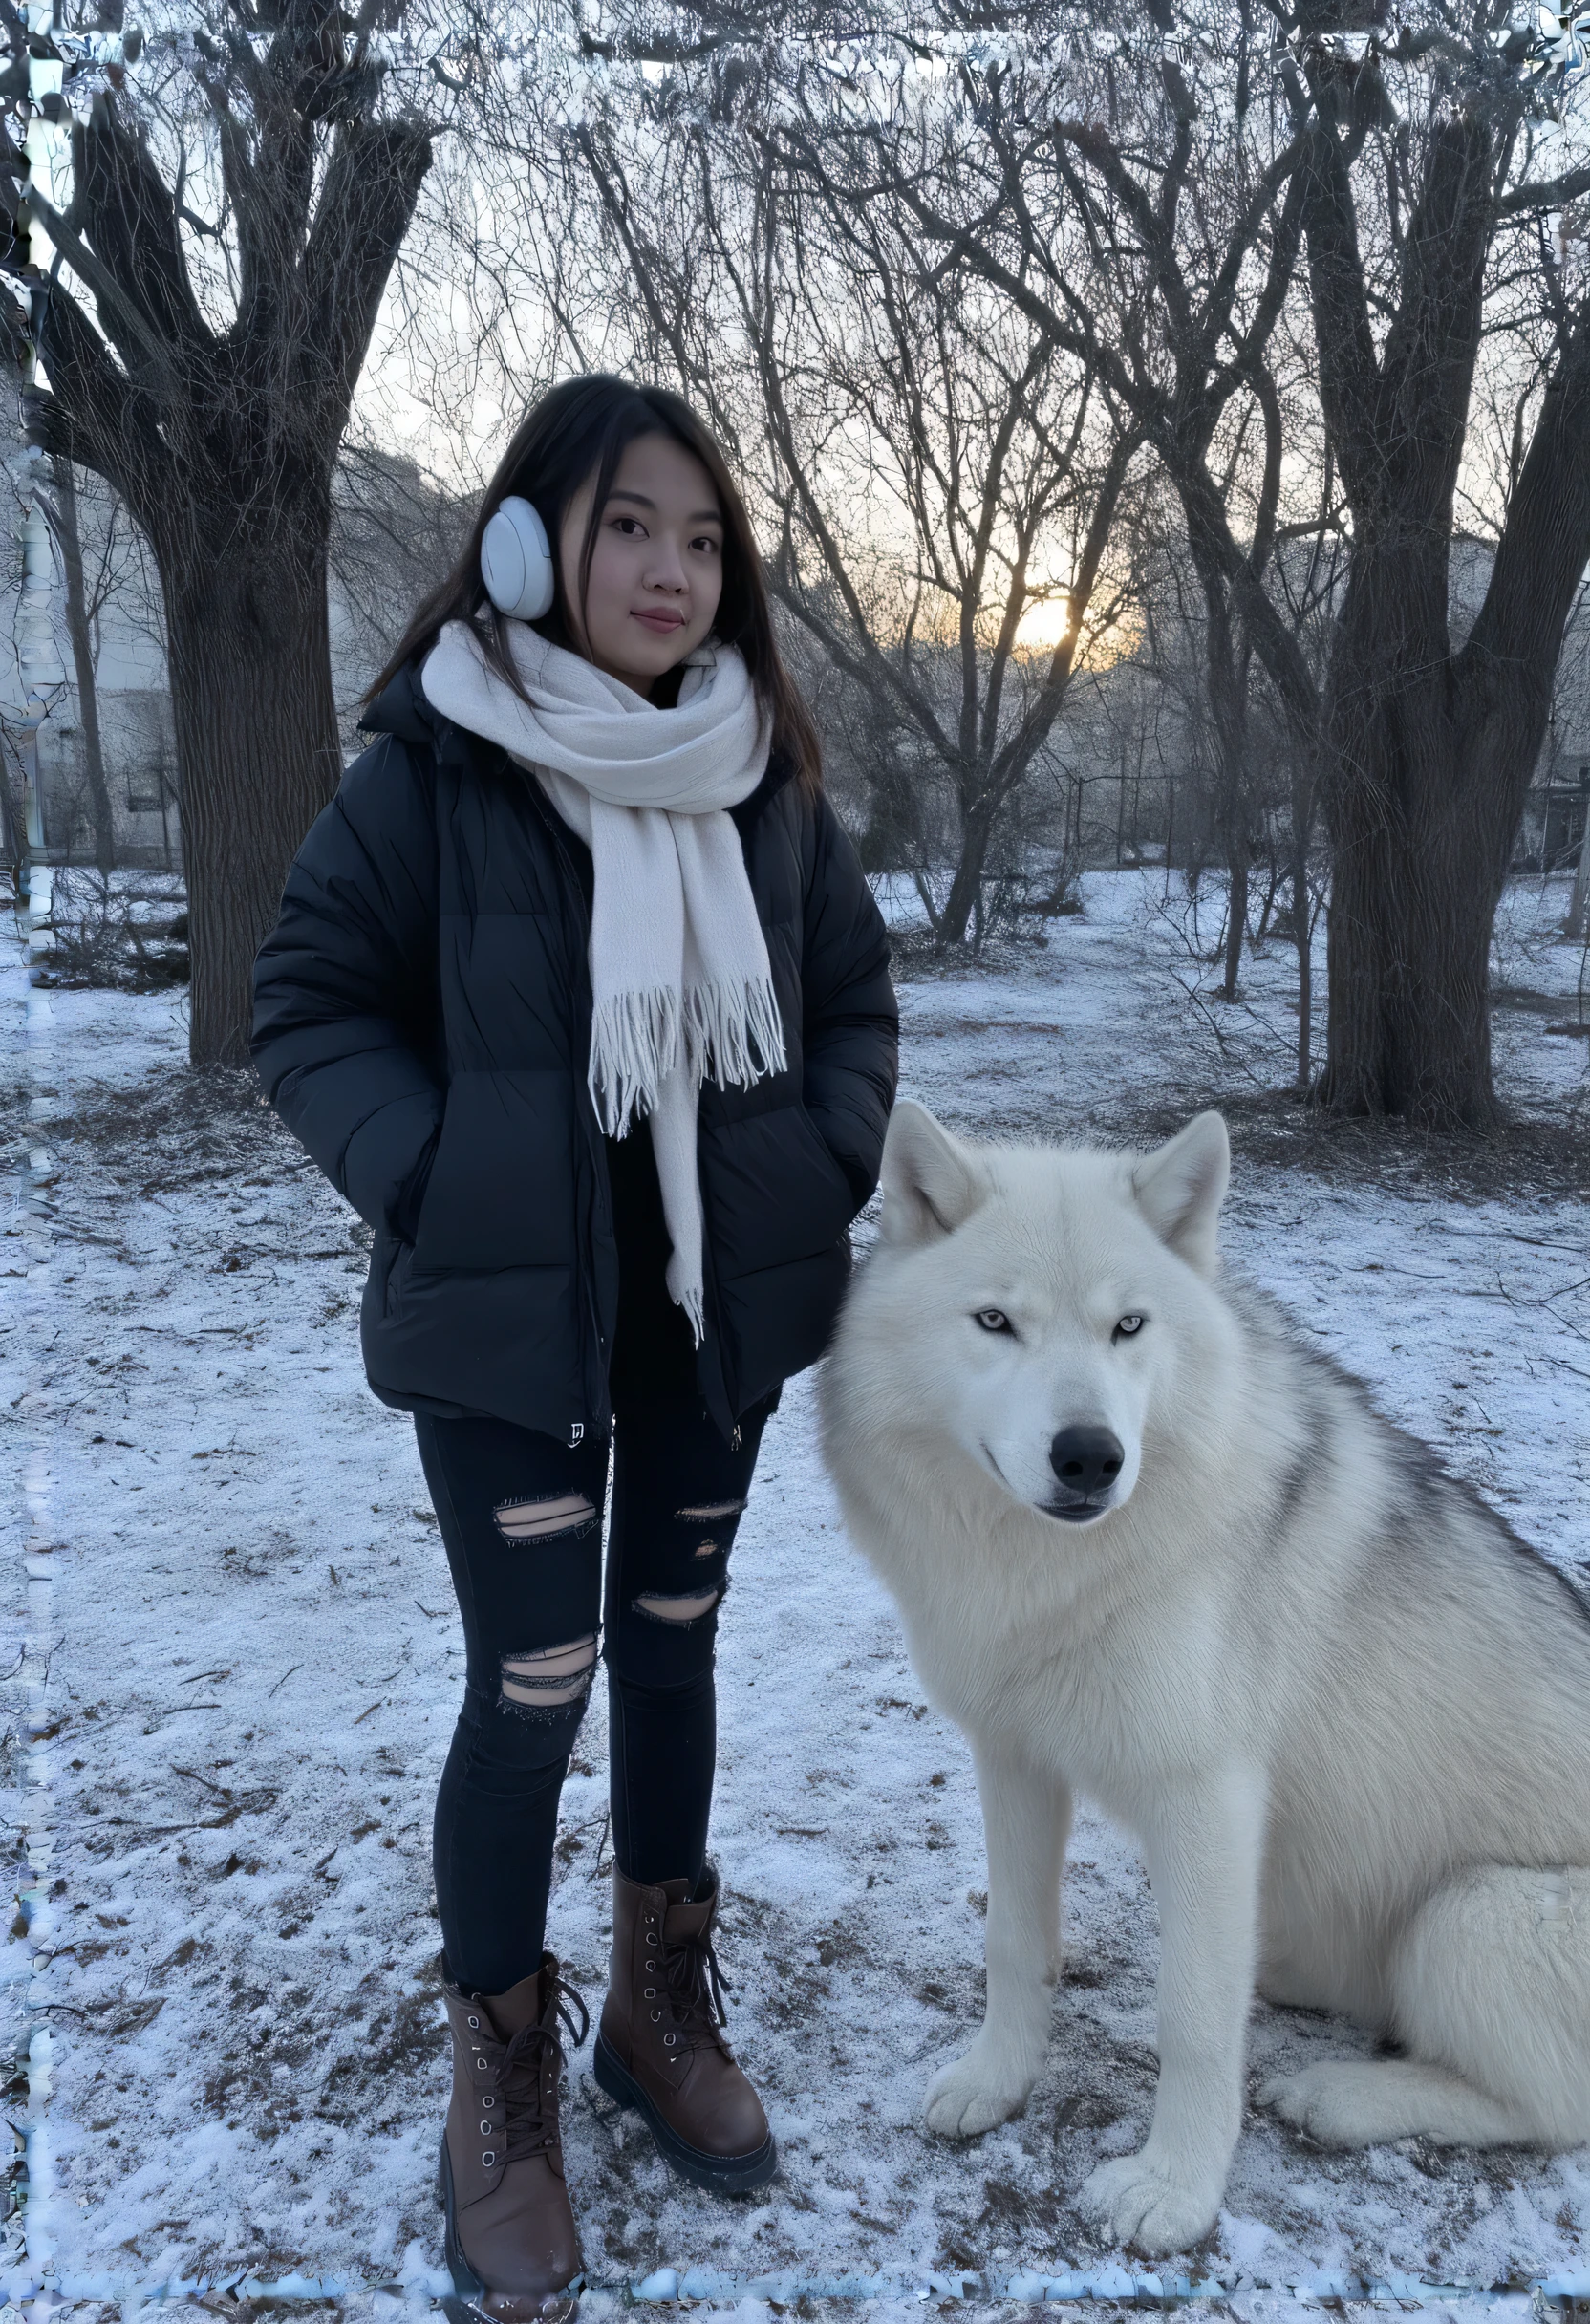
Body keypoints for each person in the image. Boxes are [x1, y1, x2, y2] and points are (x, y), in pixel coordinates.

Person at [252, 375, 898, 2324]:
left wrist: (823, 1158)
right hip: (506, 1322)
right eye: (632, 525)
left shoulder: (760, 774)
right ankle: (502, 2073)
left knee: (676, 1646)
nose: (671, 571)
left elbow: (856, 996)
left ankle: (653, 2000)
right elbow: (303, 999)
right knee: (534, 1680)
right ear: (537, 535)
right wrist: (435, 1171)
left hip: (706, 1318)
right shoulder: (434, 766)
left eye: (703, 540)